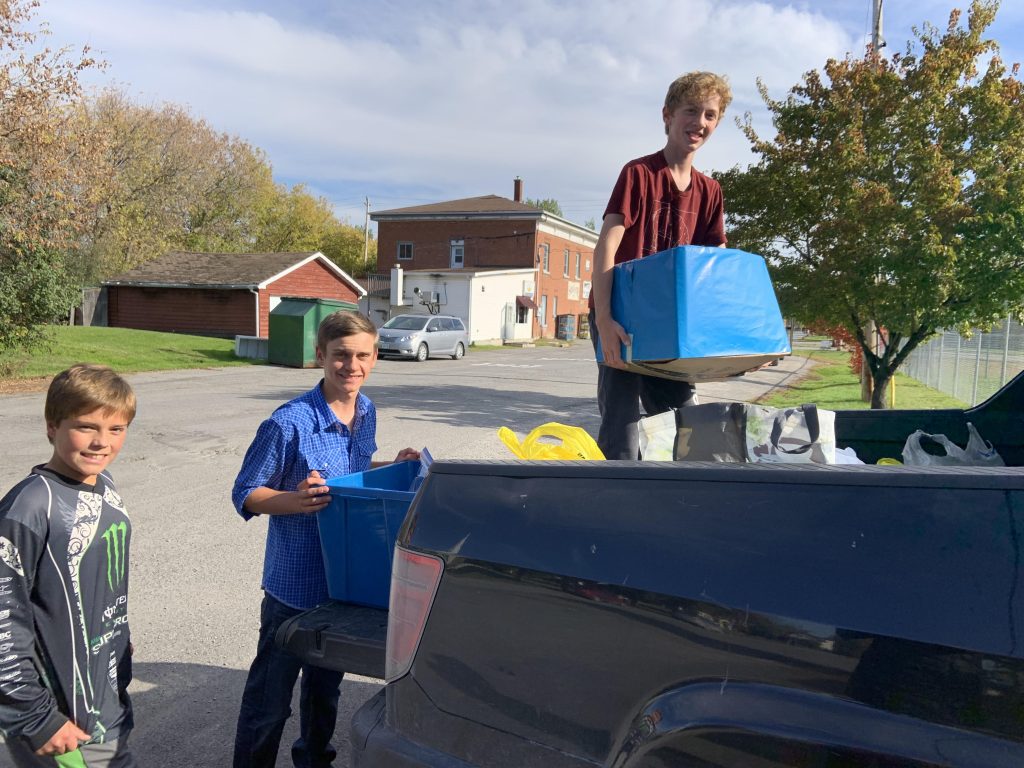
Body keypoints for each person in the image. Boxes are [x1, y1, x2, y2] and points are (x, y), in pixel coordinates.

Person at [231, 310, 418, 768]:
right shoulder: (288, 423)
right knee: (269, 700)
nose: (350, 366)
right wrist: (295, 501)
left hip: (343, 584)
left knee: (323, 691)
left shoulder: (366, 411)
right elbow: (246, 493)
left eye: (361, 355)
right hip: (294, 586)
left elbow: (350, 477)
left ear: (374, 358)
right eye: (339, 355)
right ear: (320, 355)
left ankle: (314, 761)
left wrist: (390, 466)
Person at [589, 71, 733, 460]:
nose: (699, 123)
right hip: (621, 314)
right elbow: (607, 244)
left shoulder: (710, 191)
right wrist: (604, 319)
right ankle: (615, 504)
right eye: (690, 111)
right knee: (623, 427)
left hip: (672, 321)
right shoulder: (638, 174)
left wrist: (733, 338)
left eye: (710, 115)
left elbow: (714, 268)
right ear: (667, 115)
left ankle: (676, 503)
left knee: (684, 423)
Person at [0, 364, 138, 767]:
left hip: (106, 699)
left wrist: (118, 638)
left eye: (116, 429)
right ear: (51, 426)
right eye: (86, 427)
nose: (101, 442)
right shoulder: (29, 506)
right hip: (61, 719)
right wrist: (35, 718)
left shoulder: (104, 484)